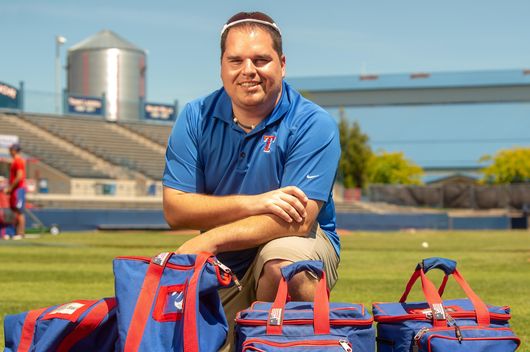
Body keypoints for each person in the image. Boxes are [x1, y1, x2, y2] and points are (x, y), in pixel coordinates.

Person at [162, 11, 341, 350]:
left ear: (282, 64)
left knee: (285, 265)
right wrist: (254, 202)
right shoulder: (195, 116)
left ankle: (289, 342)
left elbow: (298, 221)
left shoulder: (312, 122)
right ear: (221, 66)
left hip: (294, 242)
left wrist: (210, 240)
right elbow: (175, 209)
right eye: (236, 60)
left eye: (261, 59)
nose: (248, 70)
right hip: (225, 263)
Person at [4, 143, 26, 240]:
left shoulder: (18, 161)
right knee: (14, 211)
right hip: (14, 190)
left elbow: (19, 176)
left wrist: (11, 188)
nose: (9, 151)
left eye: (11, 149)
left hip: (18, 189)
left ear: (15, 150)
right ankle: (13, 232)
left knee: (19, 211)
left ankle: (20, 233)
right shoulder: (14, 162)